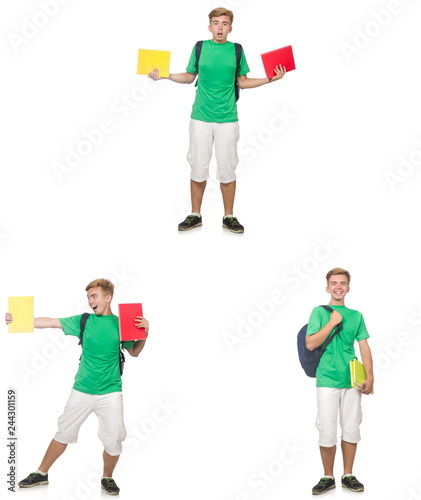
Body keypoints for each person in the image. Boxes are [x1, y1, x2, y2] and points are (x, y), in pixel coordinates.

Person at [148, 7, 286, 233]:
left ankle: (228, 216)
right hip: (200, 118)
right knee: (197, 167)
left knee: (227, 168)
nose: (219, 27)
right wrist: (163, 74)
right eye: (215, 23)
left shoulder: (237, 50)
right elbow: (189, 76)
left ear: (231, 28)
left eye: (224, 23)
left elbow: (242, 81)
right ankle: (195, 215)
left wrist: (269, 80)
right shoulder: (200, 47)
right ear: (209, 26)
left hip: (228, 119)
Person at [5, 278, 149, 496]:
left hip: (111, 392)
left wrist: (145, 332)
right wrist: (19, 319)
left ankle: (107, 478)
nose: (90, 301)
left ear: (108, 298)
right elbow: (51, 322)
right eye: (88, 297)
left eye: (94, 296)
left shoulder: (121, 324)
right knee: (64, 431)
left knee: (114, 437)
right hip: (81, 390)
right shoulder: (83, 321)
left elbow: (135, 352)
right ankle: (41, 473)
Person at [305, 268, 374, 495]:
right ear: (327, 288)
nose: (338, 287)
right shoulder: (319, 312)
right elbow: (311, 343)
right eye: (334, 283)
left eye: (342, 283)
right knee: (327, 429)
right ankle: (327, 477)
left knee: (352, 428)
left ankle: (348, 475)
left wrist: (370, 376)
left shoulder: (357, 316)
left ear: (348, 288)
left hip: (352, 379)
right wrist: (333, 321)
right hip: (326, 378)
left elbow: (364, 346)